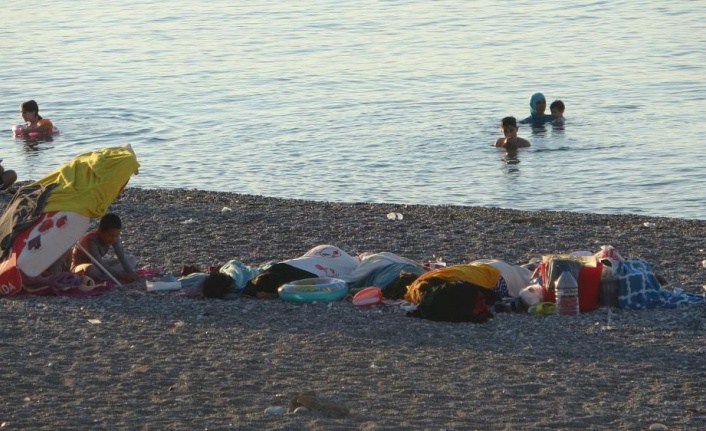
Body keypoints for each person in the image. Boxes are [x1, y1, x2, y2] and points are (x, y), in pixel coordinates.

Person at [71, 213, 140, 283]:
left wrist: (132, 273)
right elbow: (99, 264)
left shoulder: (114, 237)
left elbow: (121, 256)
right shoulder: (91, 240)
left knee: (131, 259)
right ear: (100, 231)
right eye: (110, 236)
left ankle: (107, 275)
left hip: (97, 264)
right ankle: (110, 275)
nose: (113, 239)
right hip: (81, 266)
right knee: (91, 271)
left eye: (116, 236)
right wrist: (122, 275)